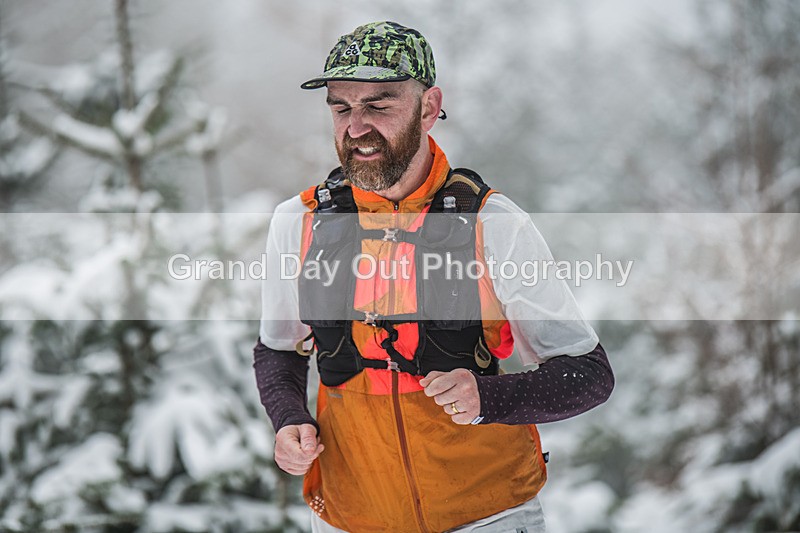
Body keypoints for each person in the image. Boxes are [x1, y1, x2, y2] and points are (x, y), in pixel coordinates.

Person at [253, 21, 614, 533]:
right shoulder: (300, 221)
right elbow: (278, 349)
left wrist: (487, 398)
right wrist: (290, 418)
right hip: (349, 516)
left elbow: (589, 375)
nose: (356, 128)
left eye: (378, 106)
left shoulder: (493, 223)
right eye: (341, 107)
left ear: (428, 106)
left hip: (487, 516)